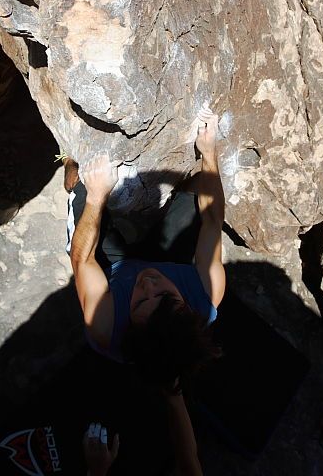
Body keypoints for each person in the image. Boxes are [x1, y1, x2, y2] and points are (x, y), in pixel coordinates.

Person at [66, 106, 225, 391]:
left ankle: (69, 165)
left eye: (140, 301)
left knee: (81, 180)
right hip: (170, 263)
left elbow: (82, 259)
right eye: (164, 294)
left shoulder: (105, 324)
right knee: (203, 181)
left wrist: (96, 196)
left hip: (113, 274)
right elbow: (212, 218)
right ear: (188, 307)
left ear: (131, 323)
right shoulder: (206, 292)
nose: (148, 283)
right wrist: (209, 151)